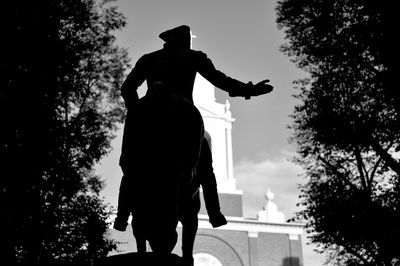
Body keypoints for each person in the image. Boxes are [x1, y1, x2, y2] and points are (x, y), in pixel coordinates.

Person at [113, 25, 273, 258]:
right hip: (184, 111)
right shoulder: (193, 57)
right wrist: (249, 90)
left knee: (131, 165)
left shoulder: (148, 59)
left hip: (146, 110)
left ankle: (121, 215)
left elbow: (127, 88)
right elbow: (221, 80)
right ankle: (215, 212)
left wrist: (138, 109)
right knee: (203, 161)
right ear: (184, 41)